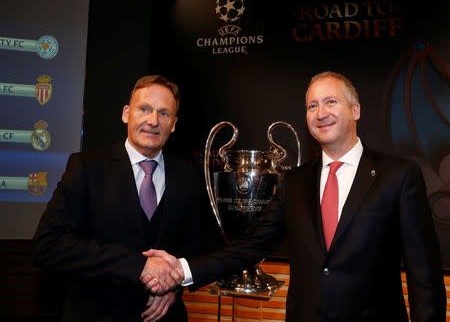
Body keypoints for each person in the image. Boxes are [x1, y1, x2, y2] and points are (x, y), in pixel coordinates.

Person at [141, 71, 447, 321]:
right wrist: (183, 270)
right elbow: (250, 246)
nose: (321, 113)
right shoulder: (295, 182)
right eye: (312, 106)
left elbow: (425, 275)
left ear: (355, 110)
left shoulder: (398, 175)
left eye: (330, 102)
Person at [32, 75, 217, 322]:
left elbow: (199, 247)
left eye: (164, 114)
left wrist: (174, 286)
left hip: (164, 317)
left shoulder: (187, 175)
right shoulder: (87, 167)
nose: (153, 121)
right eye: (144, 109)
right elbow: (48, 245)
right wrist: (138, 266)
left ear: (173, 124)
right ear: (126, 113)